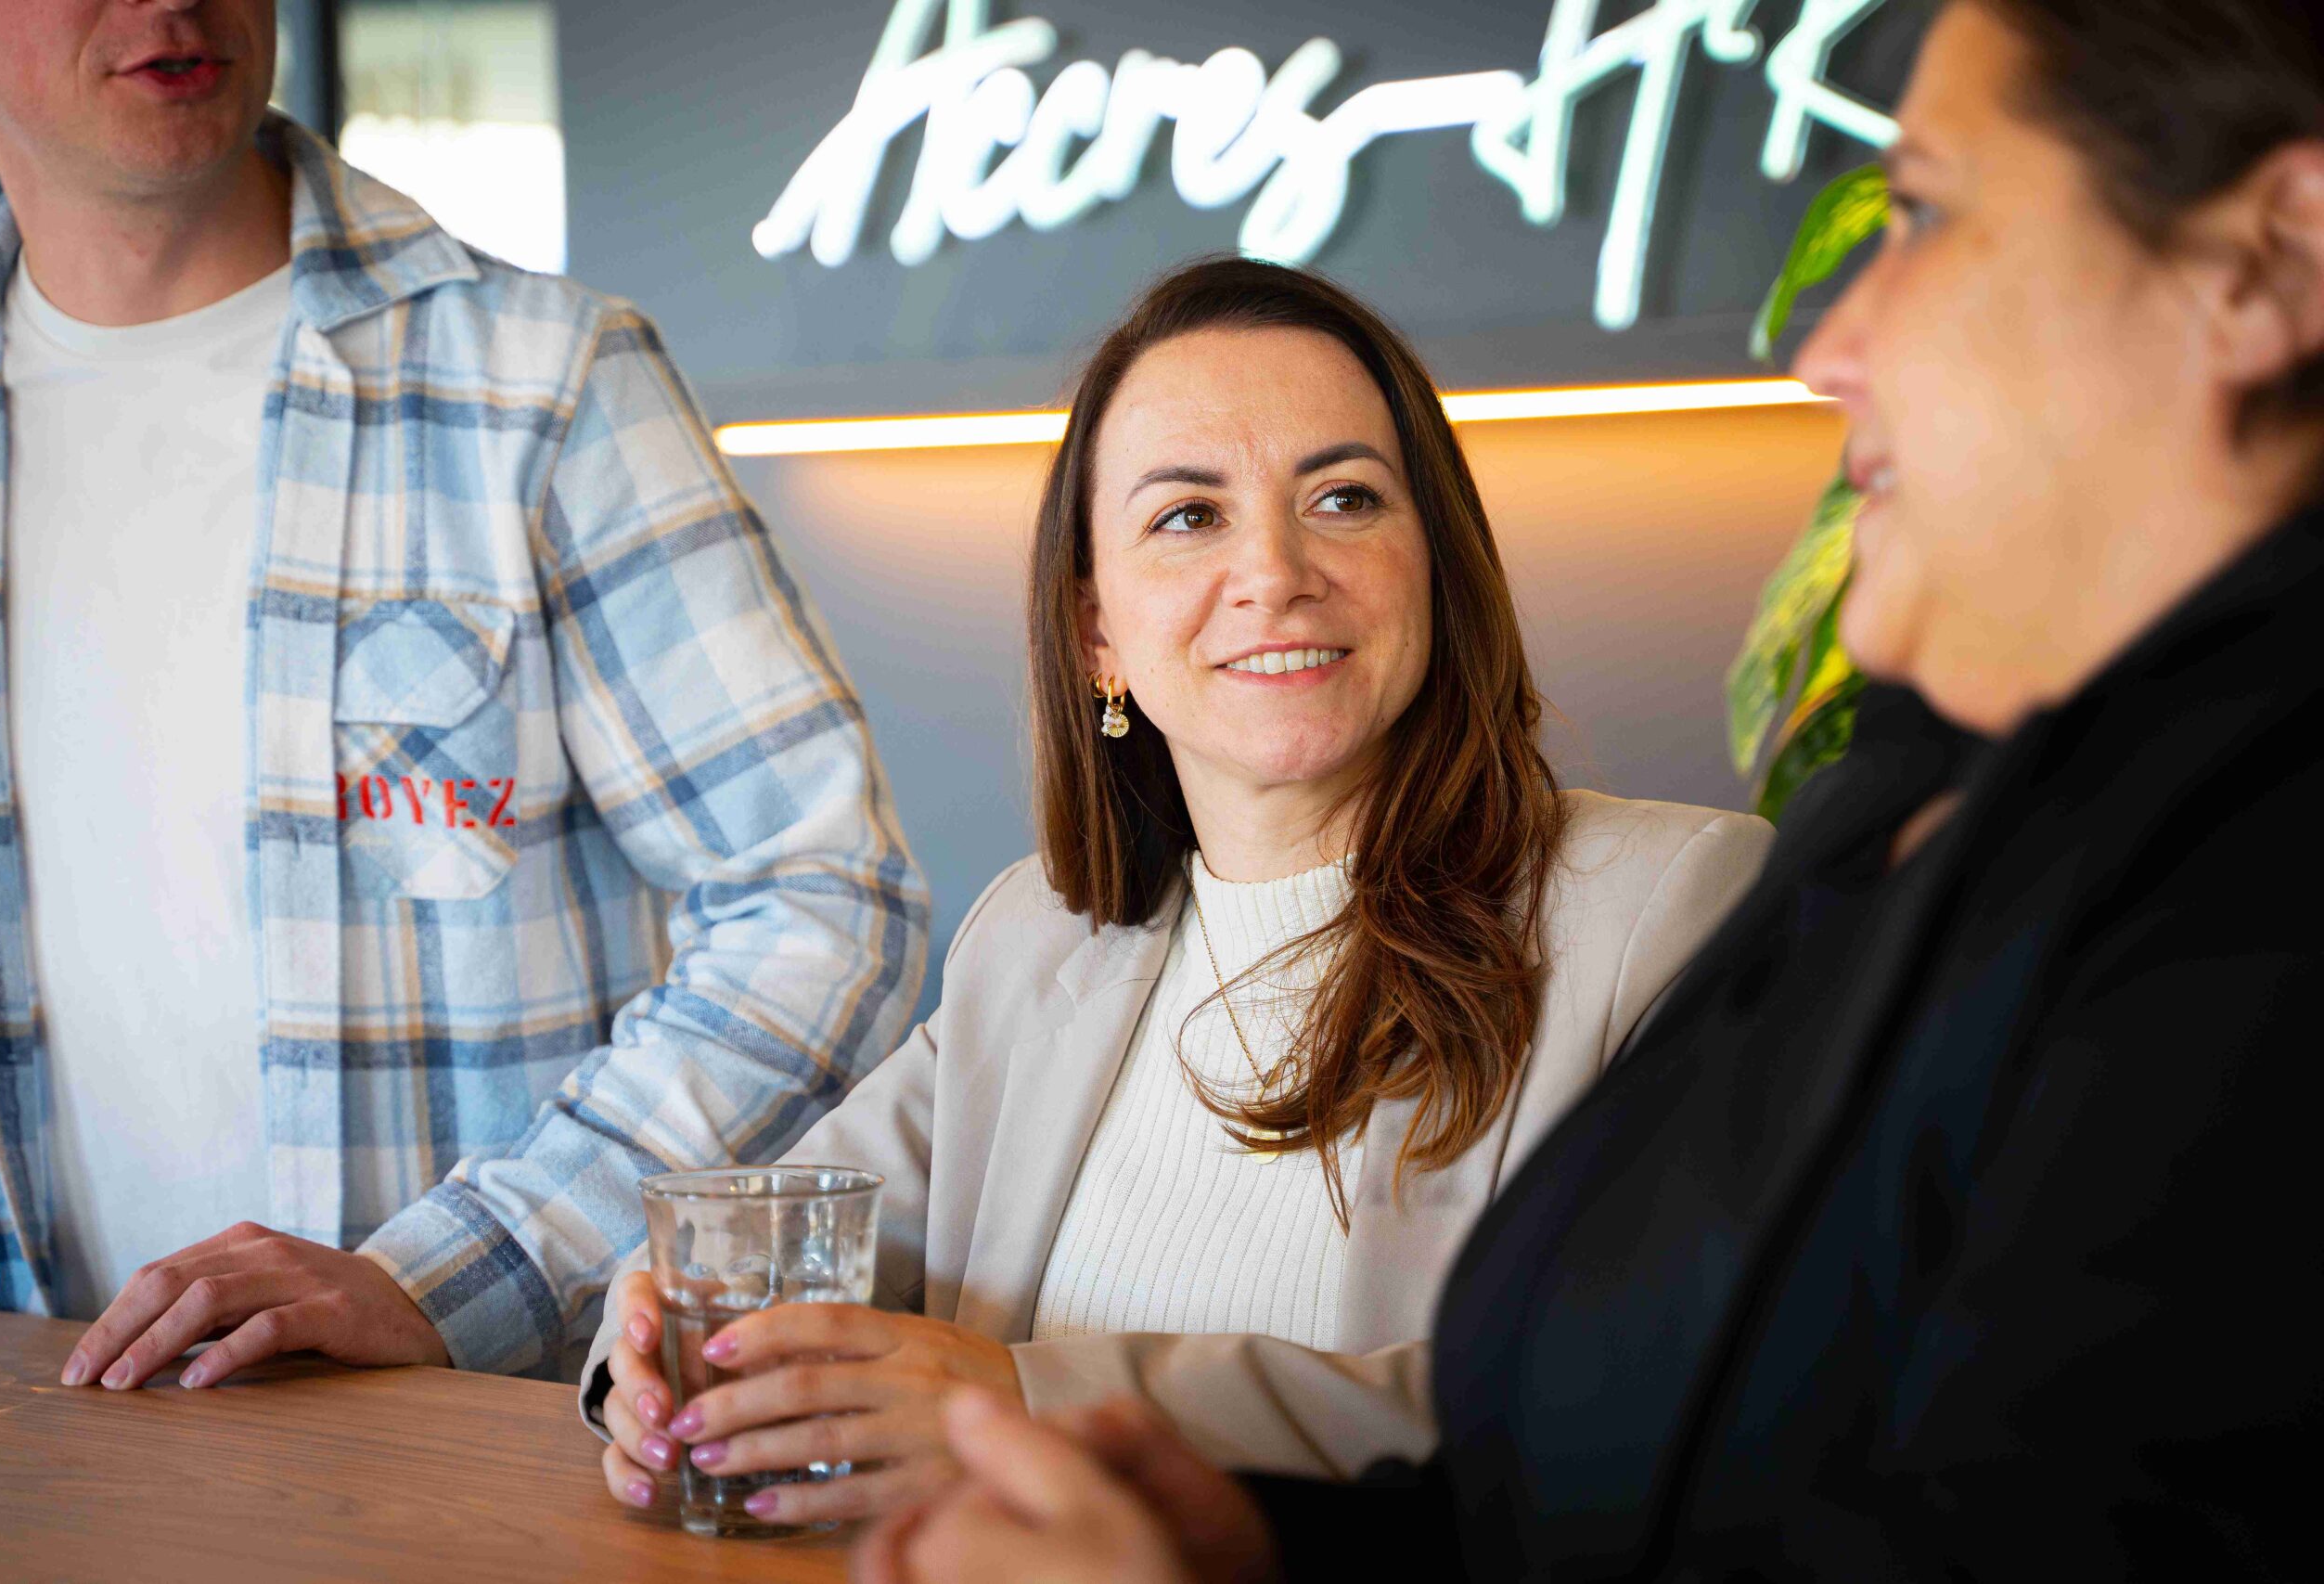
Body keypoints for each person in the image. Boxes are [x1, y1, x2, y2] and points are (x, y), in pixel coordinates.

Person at [854, 0, 2324, 1578]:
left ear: (2268, 266)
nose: (1831, 345)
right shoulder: (1919, 807)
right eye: (1186, 519)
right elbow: (1625, 1479)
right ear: (1092, 630)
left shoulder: (2194, 871)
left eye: (1921, 214)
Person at [579, 258, 1776, 1527]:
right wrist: (652, 1355)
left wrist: (1017, 1404)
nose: (1274, 571)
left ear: (1437, 564)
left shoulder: (1668, 910)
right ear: (1098, 632)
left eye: (1346, 497)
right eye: (1189, 518)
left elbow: (1612, 1400)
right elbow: (754, 1250)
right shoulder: (1037, 942)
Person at [0, 0, 926, 1387]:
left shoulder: (543, 381)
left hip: (450, 1456)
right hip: (17, 1451)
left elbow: (826, 901)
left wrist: (452, 1278)